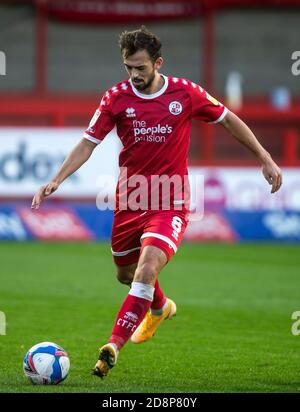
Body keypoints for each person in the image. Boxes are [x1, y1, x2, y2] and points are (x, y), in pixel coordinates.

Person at [31, 26, 282, 378]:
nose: (134, 75)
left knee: (147, 268)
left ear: (158, 63)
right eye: (128, 67)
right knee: (125, 274)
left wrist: (264, 157)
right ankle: (160, 306)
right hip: (129, 200)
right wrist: (56, 179)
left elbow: (228, 120)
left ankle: (111, 347)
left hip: (171, 200)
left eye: (141, 68)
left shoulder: (185, 93)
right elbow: (88, 142)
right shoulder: (115, 98)